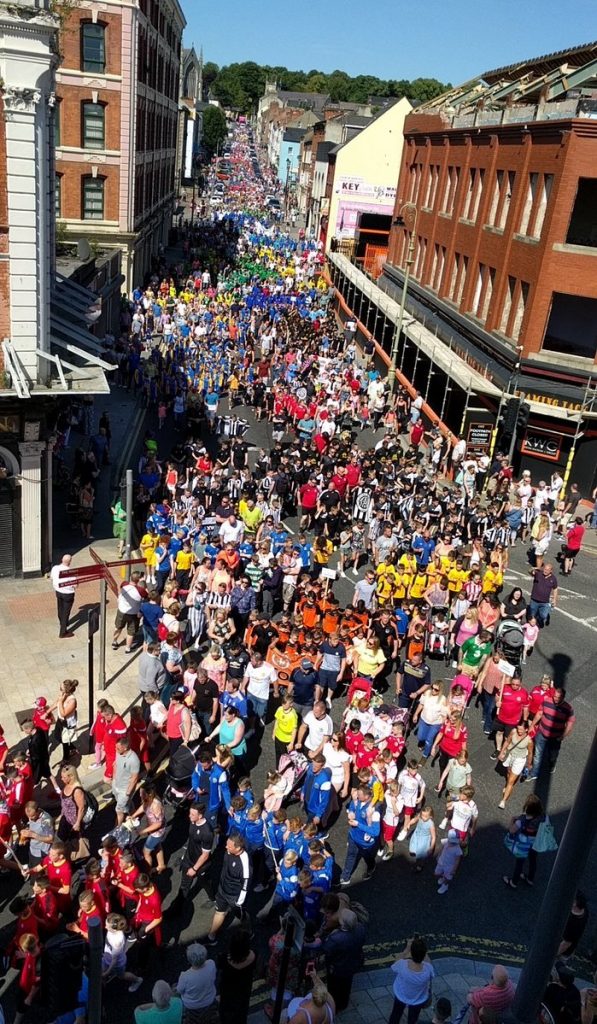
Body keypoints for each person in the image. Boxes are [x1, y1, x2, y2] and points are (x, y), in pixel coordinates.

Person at [204, 832, 251, 945]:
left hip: (234, 896)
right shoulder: (229, 852)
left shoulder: (244, 864)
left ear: (238, 848)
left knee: (241, 915)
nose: (226, 847)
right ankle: (211, 937)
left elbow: (245, 885)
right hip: (222, 890)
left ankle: (249, 931)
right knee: (219, 912)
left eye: (229, 846)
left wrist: (239, 901)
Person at [528, 687, 575, 780]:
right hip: (542, 733)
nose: (555, 699)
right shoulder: (547, 701)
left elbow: (570, 723)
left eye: (558, 697)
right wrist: (532, 725)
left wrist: (563, 736)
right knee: (538, 754)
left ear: (563, 697)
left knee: (552, 756)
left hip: (555, 737)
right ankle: (534, 773)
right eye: (555, 696)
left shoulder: (568, 709)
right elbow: (540, 713)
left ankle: (552, 764)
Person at [389, 936, 435, 1024]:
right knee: (413, 1019)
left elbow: (394, 964)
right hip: (418, 999)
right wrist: (423, 951)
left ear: (411, 953)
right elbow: (429, 963)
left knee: (396, 1014)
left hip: (401, 995)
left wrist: (407, 949)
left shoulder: (402, 965)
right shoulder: (428, 969)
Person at [217, 928, 256, 1024]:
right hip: (244, 989)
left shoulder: (224, 958)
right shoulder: (254, 956)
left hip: (228, 991)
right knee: (242, 1012)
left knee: (226, 1014)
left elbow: (219, 966)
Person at [173, 943, 217, 1024]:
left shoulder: (185, 976)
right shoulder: (211, 964)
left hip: (191, 1005)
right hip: (209, 1000)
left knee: (174, 988)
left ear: (189, 960)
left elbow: (179, 991)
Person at [112, 735, 141, 826]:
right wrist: (114, 779)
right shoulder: (118, 753)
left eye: (118, 747)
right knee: (127, 803)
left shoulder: (134, 760)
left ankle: (118, 828)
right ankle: (134, 816)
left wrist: (128, 792)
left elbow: (134, 777)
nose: (115, 749)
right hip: (116, 785)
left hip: (124, 789)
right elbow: (115, 764)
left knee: (119, 810)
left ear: (125, 748)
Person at [50, 553, 76, 638]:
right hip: (68, 594)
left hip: (58, 591)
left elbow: (52, 578)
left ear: (62, 559)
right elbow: (75, 585)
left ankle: (62, 622)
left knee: (60, 608)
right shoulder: (70, 572)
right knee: (66, 612)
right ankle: (63, 632)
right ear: (70, 562)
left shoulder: (55, 568)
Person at [528, 562, 558, 628]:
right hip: (534, 599)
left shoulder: (553, 579)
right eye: (545, 569)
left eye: (547, 570)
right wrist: (536, 568)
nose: (545, 571)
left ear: (551, 571)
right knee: (532, 614)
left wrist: (555, 599)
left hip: (545, 602)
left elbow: (555, 589)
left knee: (543, 615)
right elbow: (529, 571)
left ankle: (539, 619)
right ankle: (532, 627)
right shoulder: (538, 573)